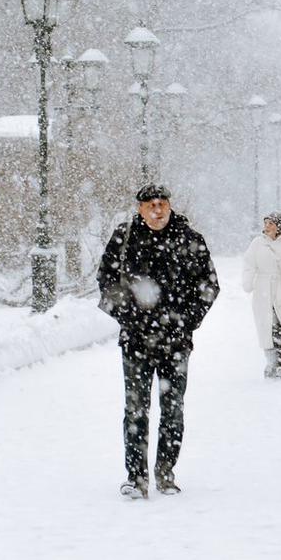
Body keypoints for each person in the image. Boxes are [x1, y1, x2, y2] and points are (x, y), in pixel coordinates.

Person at [97, 184, 219, 499]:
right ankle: (136, 478)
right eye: (150, 204)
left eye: (162, 203)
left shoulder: (189, 239)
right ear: (139, 208)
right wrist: (129, 316)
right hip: (136, 341)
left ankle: (165, 473)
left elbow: (209, 285)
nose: (157, 209)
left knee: (172, 409)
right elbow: (106, 281)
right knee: (136, 409)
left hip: (175, 343)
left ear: (169, 206)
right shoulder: (124, 238)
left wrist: (186, 321)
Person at [242, 211, 281, 380]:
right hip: (263, 290)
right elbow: (249, 264)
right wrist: (248, 281)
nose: (266, 227)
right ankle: (270, 362)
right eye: (265, 223)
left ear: (278, 226)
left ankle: (280, 364)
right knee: (266, 327)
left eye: (271, 224)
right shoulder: (257, 243)